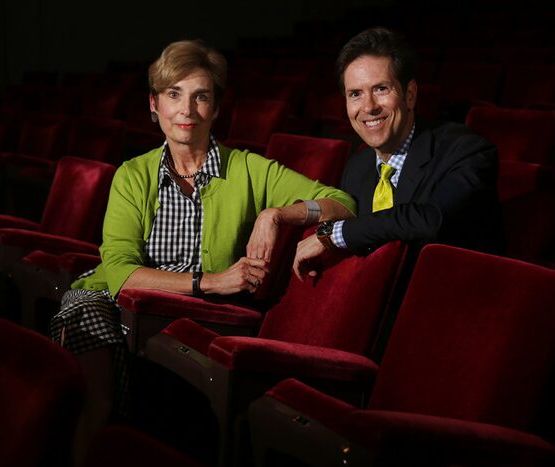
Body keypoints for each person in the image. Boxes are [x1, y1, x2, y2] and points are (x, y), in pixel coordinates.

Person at [51, 39, 356, 429]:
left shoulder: (247, 169)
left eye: (200, 96)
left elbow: (342, 203)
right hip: (118, 302)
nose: (186, 110)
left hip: (193, 319)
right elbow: (120, 273)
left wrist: (277, 213)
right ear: (154, 104)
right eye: (173, 94)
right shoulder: (133, 174)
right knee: (82, 320)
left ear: (215, 107)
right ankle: (101, 451)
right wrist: (210, 281)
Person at [293, 27, 502, 281]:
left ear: (410, 94)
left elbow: (432, 219)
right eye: (355, 94)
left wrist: (333, 234)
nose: (368, 107)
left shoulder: (466, 150)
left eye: (381, 89)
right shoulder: (357, 167)